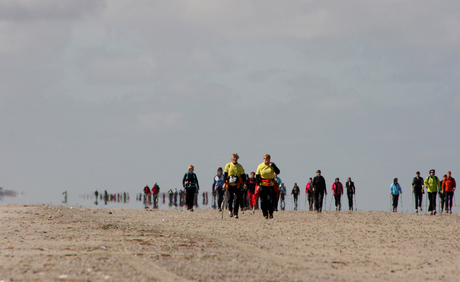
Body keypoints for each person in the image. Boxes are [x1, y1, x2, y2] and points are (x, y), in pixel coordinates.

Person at [256, 154, 280, 219]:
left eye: (268, 159)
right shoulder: (260, 166)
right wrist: (258, 185)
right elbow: (257, 176)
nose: (267, 161)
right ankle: (265, 213)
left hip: (270, 185)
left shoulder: (272, 165)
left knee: (270, 200)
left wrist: (273, 166)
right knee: (263, 200)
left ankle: (271, 213)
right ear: (263, 159)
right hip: (263, 185)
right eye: (266, 159)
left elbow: (278, 171)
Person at [224, 152, 246, 219]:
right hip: (229, 185)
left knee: (237, 200)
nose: (235, 159)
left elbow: (243, 176)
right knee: (230, 199)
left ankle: (236, 213)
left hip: (237, 185)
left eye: (236, 157)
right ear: (232, 158)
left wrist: (244, 183)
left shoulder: (240, 166)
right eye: (234, 157)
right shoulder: (228, 165)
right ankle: (230, 210)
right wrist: (224, 183)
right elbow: (225, 175)